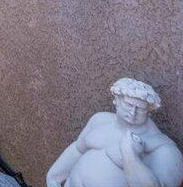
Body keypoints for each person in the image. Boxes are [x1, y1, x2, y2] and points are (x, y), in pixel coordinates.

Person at [47, 79, 182, 187]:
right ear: (116, 101)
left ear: (148, 111)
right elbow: (78, 149)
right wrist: (54, 176)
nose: (133, 112)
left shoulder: (163, 148)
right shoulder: (99, 120)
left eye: (140, 108)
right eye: (128, 105)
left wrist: (129, 155)